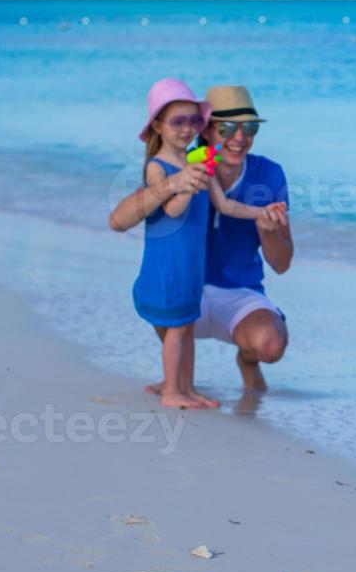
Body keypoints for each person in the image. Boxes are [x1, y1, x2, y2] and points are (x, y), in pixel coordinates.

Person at [109, 85, 293, 396]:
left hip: (239, 292)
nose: (240, 138)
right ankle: (177, 383)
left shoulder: (268, 174)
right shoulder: (181, 165)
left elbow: (282, 264)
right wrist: (170, 185)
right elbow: (118, 220)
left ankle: (244, 362)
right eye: (227, 128)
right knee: (169, 307)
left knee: (270, 345)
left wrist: (268, 226)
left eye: (249, 128)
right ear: (206, 130)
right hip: (185, 284)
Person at [129, 79, 220, 410]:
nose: (187, 129)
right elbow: (172, 209)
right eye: (177, 122)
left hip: (191, 261)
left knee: (187, 325)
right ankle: (172, 391)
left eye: (194, 121)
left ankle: (186, 386)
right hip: (169, 262)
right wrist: (187, 183)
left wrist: (260, 210)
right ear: (158, 125)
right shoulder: (157, 166)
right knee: (177, 329)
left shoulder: (192, 161)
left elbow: (220, 205)